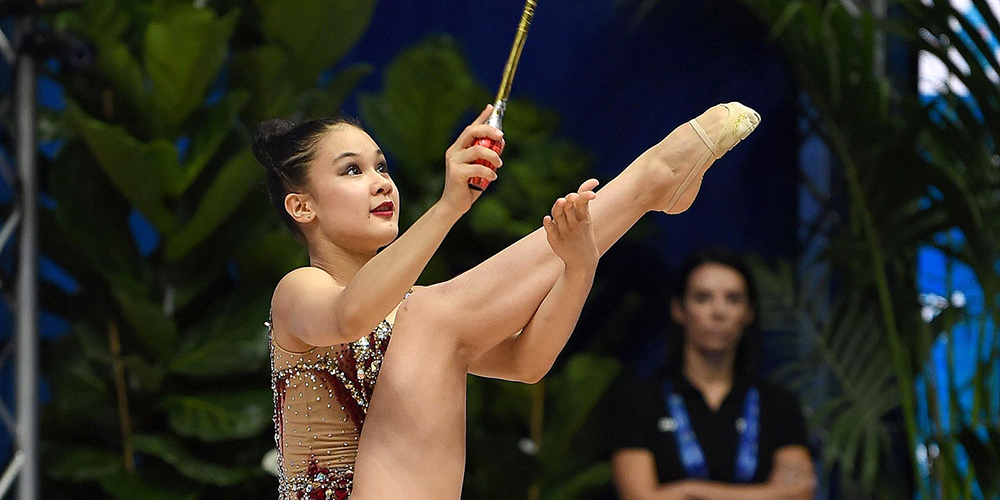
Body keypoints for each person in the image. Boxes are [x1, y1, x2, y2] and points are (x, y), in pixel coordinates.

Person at [254, 102, 760, 500]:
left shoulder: (420, 323)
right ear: (302, 207)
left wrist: (580, 265)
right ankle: (646, 182)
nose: (381, 181)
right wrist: (451, 205)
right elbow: (349, 316)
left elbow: (526, 362)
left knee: (425, 314)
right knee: (426, 313)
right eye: (351, 171)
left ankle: (647, 186)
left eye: (381, 166)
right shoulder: (300, 290)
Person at [608, 250, 816, 500]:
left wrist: (691, 492)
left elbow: (798, 493)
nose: (719, 312)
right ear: (678, 309)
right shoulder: (640, 401)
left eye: (733, 299)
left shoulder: (778, 403)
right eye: (703, 298)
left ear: (749, 312)